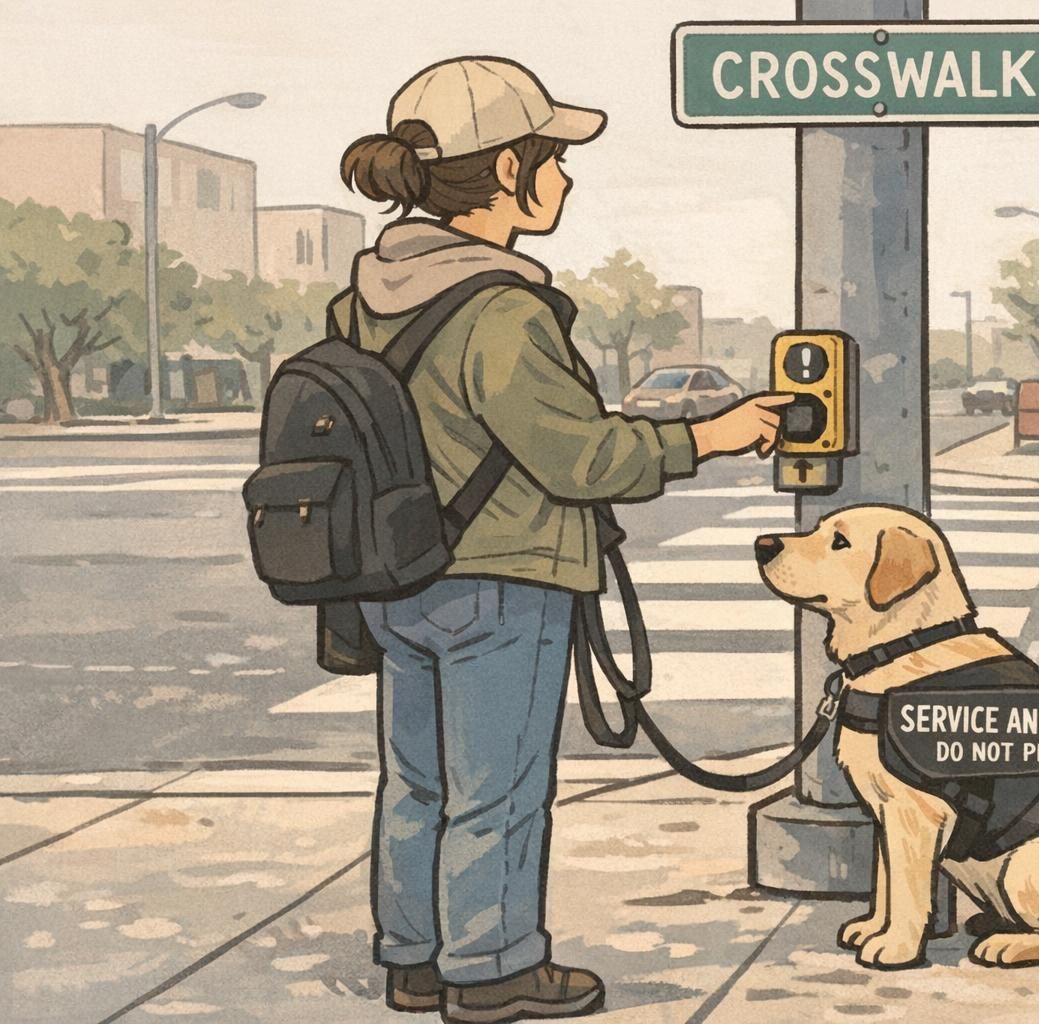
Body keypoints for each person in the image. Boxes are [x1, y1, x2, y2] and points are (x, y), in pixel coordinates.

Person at [334, 57, 790, 1023]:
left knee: (416, 783)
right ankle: (493, 967)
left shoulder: (367, 296)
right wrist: (713, 433)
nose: (565, 177)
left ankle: (415, 960)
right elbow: (579, 458)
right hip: (502, 579)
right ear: (506, 172)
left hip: (393, 575)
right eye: (552, 157)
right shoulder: (501, 309)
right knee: (498, 789)